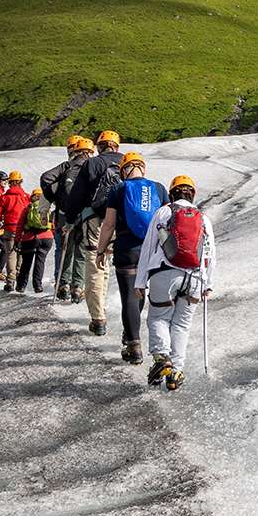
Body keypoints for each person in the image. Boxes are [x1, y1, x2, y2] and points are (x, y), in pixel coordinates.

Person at [133, 173, 216, 392]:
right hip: (196, 279)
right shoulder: (203, 218)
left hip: (165, 273)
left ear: (172, 193)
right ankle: (176, 372)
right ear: (192, 193)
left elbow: (150, 245)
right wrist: (208, 283)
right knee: (182, 325)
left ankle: (162, 359)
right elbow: (210, 253)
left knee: (159, 318)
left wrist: (140, 280)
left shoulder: (164, 211)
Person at [93, 152, 163, 363]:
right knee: (143, 293)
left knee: (130, 297)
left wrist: (100, 249)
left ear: (123, 170)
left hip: (127, 249)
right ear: (143, 168)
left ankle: (134, 346)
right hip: (153, 251)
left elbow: (109, 224)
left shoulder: (118, 189)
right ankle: (157, 346)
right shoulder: (158, 188)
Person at [68, 130, 124, 336]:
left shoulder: (92, 163)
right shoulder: (126, 162)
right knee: (107, 262)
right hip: (119, 220)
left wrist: (71, 217)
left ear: (99, 147)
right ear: (116, 146)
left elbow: (77, 195)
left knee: (94, 263)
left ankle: (98, 317)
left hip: (95, 220)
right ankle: (105, 307)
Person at [39, 135, 93, 302]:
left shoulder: (66, 167)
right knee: (81, 252)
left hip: (63, 214)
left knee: (64, 250)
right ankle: (78, 287)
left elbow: (46, 178)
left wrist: (55, 198)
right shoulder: (93, 166)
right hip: (85, 216)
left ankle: (63, 285)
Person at [10, 185, 56, 294]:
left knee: (26, 263)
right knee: (40, 262)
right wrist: (51, 235)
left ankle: (21, 286)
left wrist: (17, 240)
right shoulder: (47, 208)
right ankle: (38, 286)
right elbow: (53, 224)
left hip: (29, 238)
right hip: (46, 238)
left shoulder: (28, 208)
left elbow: (20, 226)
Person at [0, 171, 31, 289]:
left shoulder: (5, 197)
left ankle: (10, 280)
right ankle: (19, 278)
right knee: (20, 253)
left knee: (10, 254)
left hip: (9, 228)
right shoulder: (26, 196)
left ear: (10, 182)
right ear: (21, 182)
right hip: (23, 229)